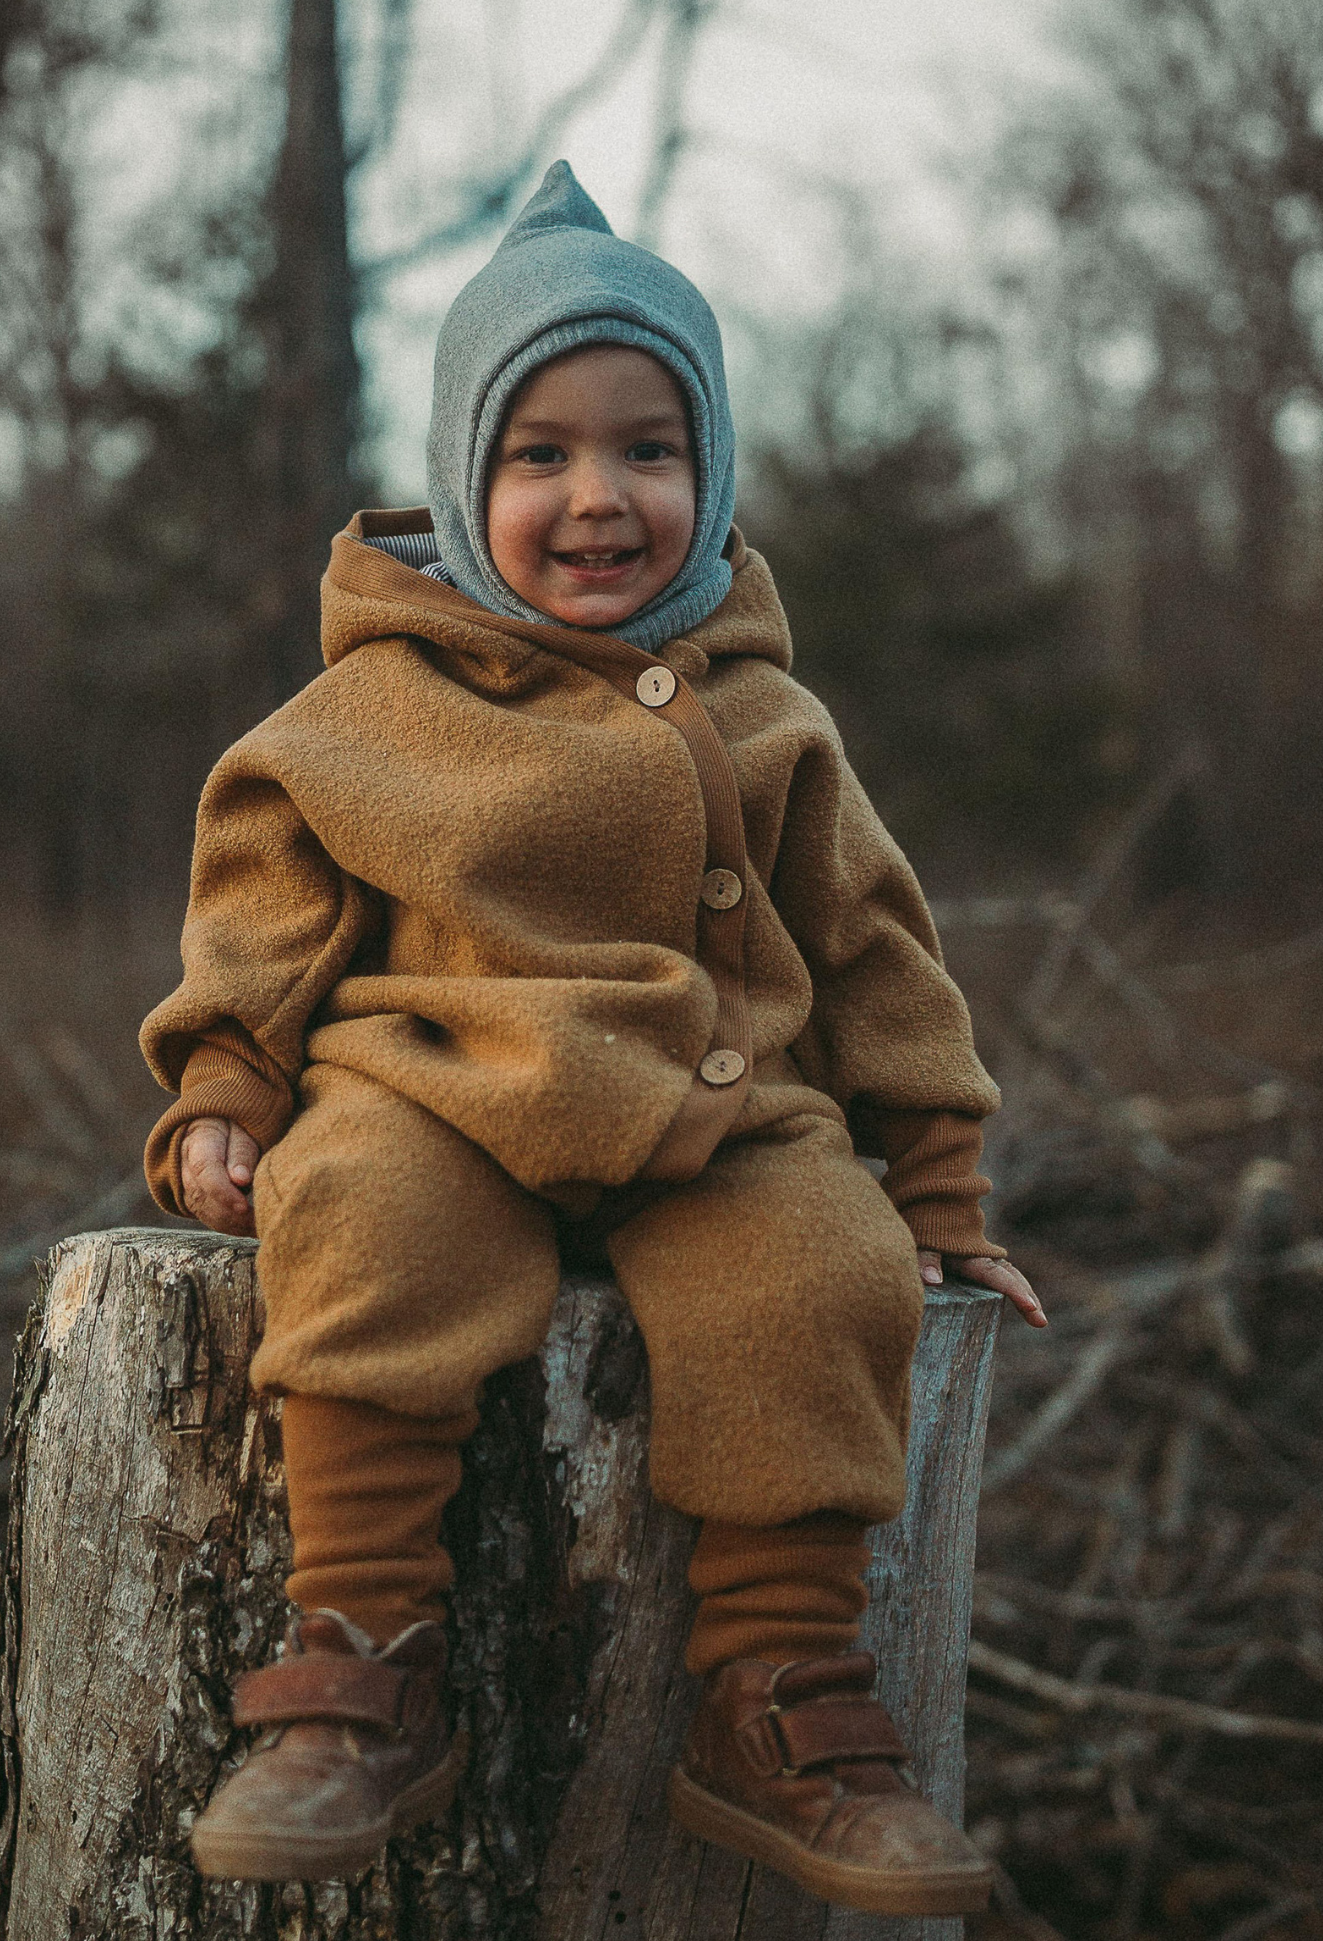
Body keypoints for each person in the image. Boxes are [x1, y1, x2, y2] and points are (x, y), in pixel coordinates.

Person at [139, 161, 1045, 1914]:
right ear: (465, 485)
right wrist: (226, 1089)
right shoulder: (370, 707)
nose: (597, 494)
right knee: (363, 1224)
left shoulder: (766, 712)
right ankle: (364, 1671)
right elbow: (264, 906)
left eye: (649, 448)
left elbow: (874, 954)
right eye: (538, 453)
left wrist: (936, 1185)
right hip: (435, 1084)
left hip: (723, 1107)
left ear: (707, 482)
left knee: (818, 1273)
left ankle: (778, 1701)